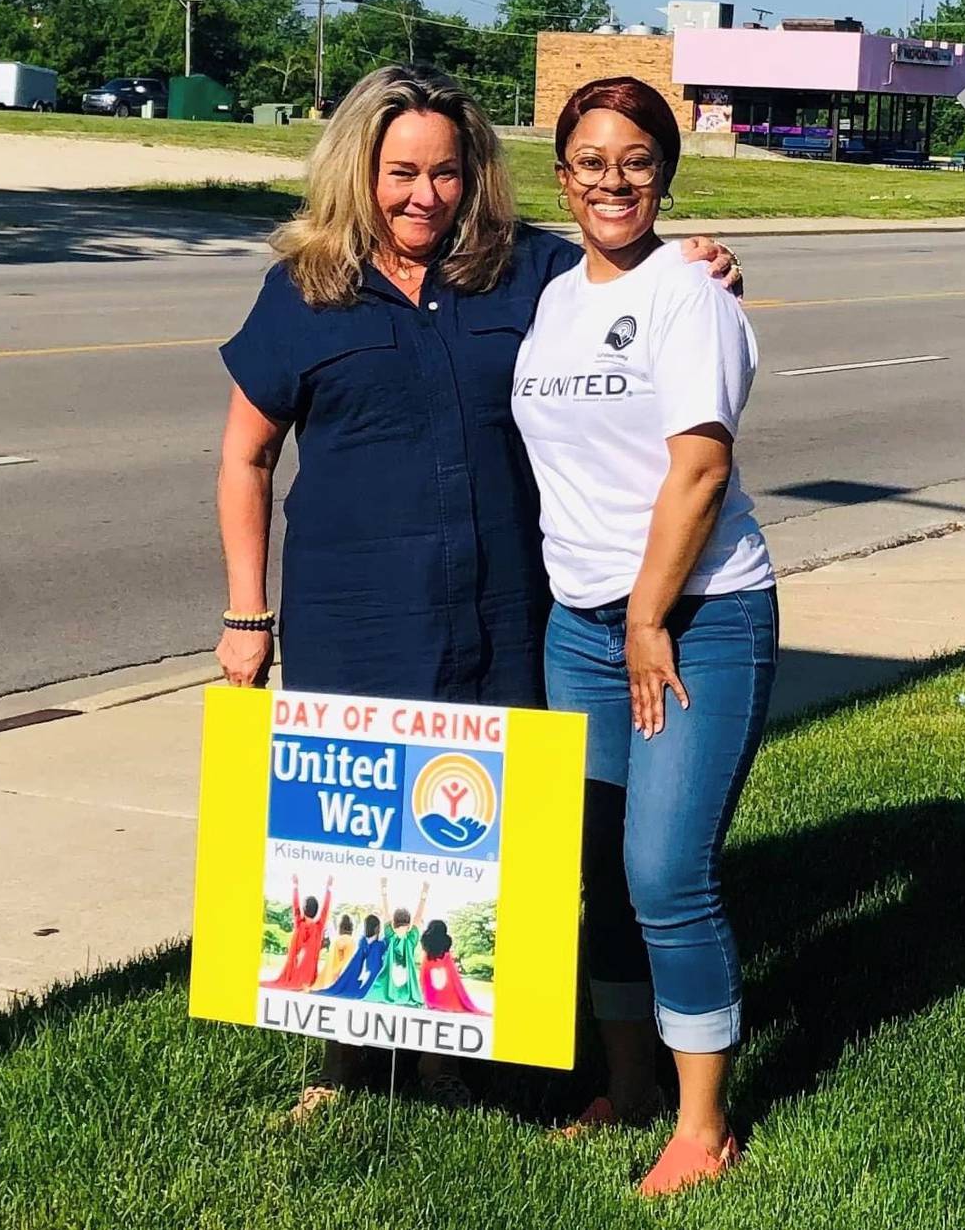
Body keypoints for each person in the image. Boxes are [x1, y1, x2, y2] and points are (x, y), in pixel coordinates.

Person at [215, 63, 738, 1116]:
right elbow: (246, 458)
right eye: (401, 172)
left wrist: (706, 262)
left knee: (482, 831)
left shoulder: (524, 272)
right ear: (360, 170)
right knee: (351, 836)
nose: (425, 196)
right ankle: (349, 1058)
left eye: (447, 173)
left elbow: (625, 261)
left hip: (503, 608)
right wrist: (245, 613)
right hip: (353, 608)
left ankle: (459, 1050)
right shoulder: (303, 286)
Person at [510, 76, 778, 1197]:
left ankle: (705, 1125)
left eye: (635, 160)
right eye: (590, 161)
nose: (612, 181)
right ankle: (626, 1080)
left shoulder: (692, 293)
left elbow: (701, 466)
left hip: (697, 618)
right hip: (583, 627)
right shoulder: (552, 291)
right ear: (561, 175)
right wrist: (611, 619)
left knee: (667, 870)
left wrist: (649, 615)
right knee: (600, 871)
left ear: (665, 171)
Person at [364, 878, 428, 1008]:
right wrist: (424, 893)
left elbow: (386, 912)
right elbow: (418, 916)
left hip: (388, 988)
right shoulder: (412, 939)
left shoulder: (390, 936)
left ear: (394, 922)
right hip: (407, 991)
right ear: (409, 923)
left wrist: (384, 890)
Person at [263, 875, 333, 990]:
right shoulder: (319, 927)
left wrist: (295, 886)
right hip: (308, 980)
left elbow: (295, 906)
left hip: (293, 976)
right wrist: (328, 889)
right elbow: (326, 909)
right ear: (316, 911)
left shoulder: (299, 924)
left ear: (304, 910)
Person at [419, 920, 487, 1015]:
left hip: (429, 962)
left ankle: (433, 1001)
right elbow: (453, 978)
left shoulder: (425, 940)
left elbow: (424, 979)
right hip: (444, 962)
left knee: (430, 983)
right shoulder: (447, 941)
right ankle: (445, 1001)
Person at [318, 914, 386, 999]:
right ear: (377, 928)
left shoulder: (362, 943)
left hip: (352, 976)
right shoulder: (378, 946)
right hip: (370, 981)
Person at [313, 913, 357, 990]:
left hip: (332, 978)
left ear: (340, 927)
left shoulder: (337, 941)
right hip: (345, 978)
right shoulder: (353, 942)